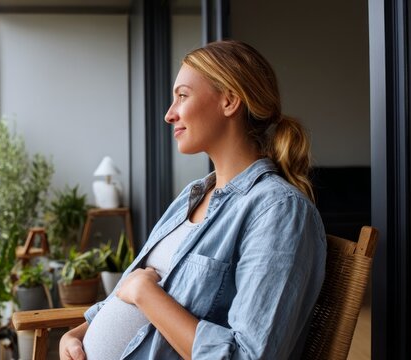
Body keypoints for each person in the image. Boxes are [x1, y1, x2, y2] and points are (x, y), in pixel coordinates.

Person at [59, 40, 327, 360]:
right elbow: (127, 291)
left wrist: (146, 294)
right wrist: (79, 333)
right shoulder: (193, 195)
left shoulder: (278, 211)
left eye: (182, 96)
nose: (169, 114)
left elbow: (249, 355)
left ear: (229, 100)